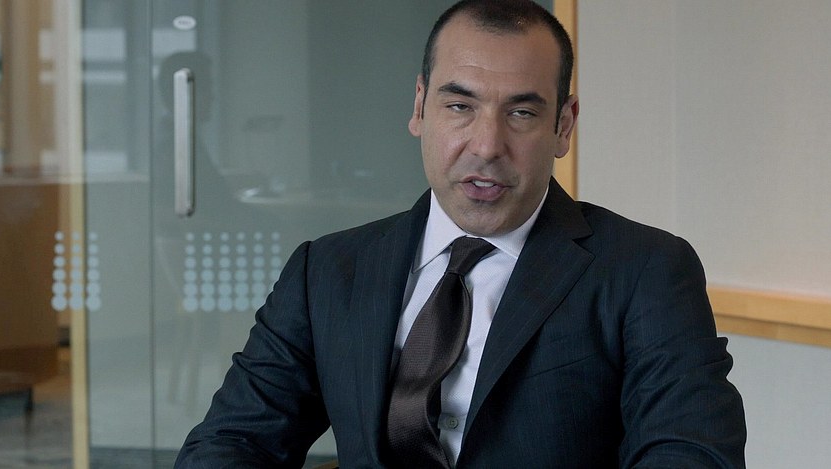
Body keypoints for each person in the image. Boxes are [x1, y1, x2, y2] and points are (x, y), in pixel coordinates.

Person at [175, 1, 747, 467]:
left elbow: (692, 452)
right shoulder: (326, 270)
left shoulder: (645, 270)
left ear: (563, 125)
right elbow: (233, 441)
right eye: (459, 106)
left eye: (521, 113)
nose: (486, 145)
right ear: (420, 107)